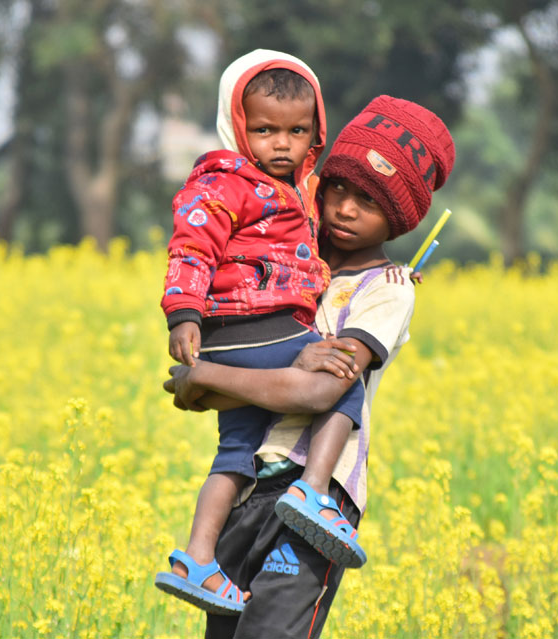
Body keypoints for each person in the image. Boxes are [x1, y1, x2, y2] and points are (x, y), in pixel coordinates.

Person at [165, 95, 456, 639]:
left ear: (398, 217)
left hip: (315, 496)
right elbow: (203, 396)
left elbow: (319, 393)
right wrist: (202, 381)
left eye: (368, 200)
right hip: (246, 485)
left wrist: (204, 376)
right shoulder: (285, 270)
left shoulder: (386, 290)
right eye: (338, 188)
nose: (344, 208)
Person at [154, 49, 367, 615]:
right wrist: (184, 313)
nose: (282, 144)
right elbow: (192, 244)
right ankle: (314, 492)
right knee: (344, 377)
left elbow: (314, 258)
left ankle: (199, 561)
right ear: (237, 124)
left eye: (298, 131)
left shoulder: (299, 191)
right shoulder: (228, 181)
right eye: (266, 129)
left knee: (235, 452)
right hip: (257, 327)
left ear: (315, 131)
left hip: (239, 339)